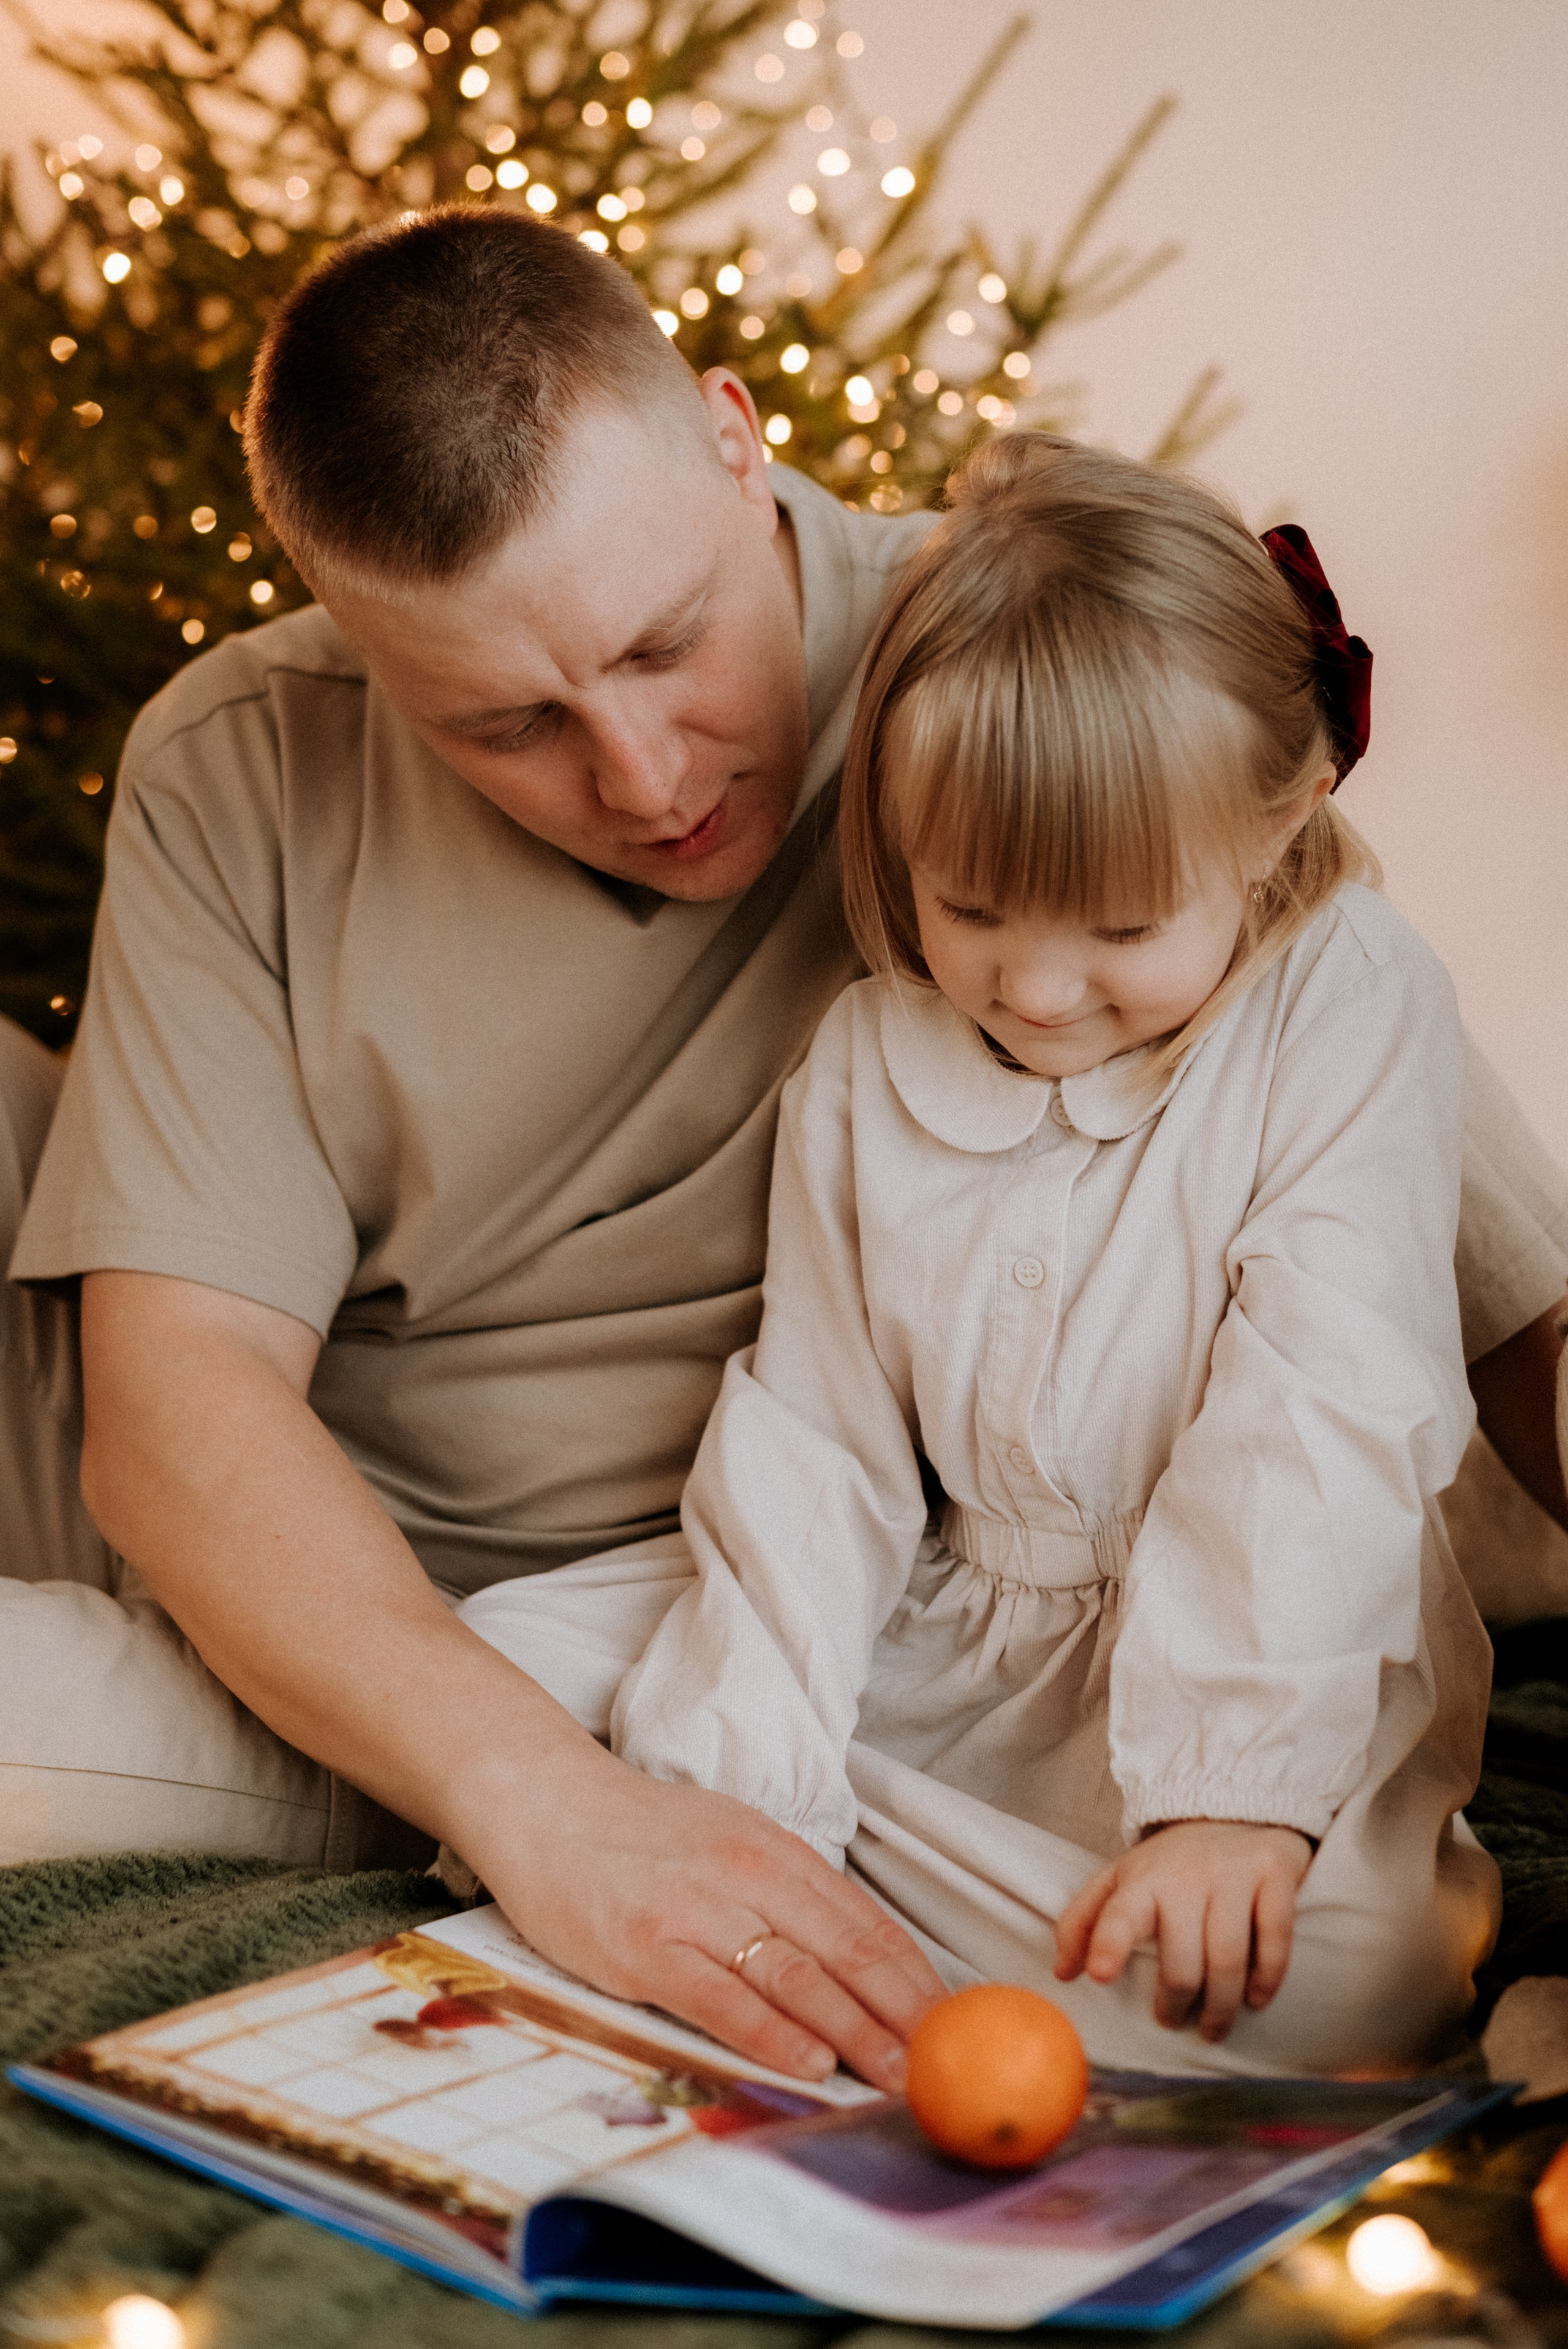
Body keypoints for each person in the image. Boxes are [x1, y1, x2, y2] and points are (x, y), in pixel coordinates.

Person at [1, 211, 1563, 2087]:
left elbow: (1481, 1312)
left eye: (671, 646)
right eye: (508, 724)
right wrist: (550, 1807)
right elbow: (175, 1411)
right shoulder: (247, 757)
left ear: (740, 442)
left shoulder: (1037, 685)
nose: (647, 778)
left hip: (766, 1619)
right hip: (356, 1619)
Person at [462, 436, 1501, 2075]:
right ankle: (782, 1892)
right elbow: (818, 1440)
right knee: (516, 1674)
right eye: (974, 907)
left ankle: (909, 1934)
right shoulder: (875, 1061)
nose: (1032, 988)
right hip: (951, 1634)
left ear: (1277, 819)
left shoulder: (1347, 998)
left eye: (1117, 929)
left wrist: (1231, 1800)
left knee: (1343, 1980)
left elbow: (1329, 1400)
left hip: (1249, 1640)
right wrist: (745, 1788)